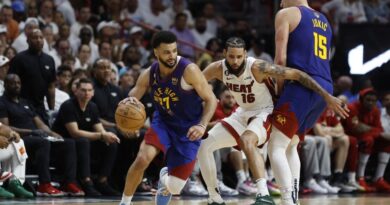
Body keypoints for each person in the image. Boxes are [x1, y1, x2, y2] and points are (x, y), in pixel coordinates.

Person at [199, 36, 346, 205]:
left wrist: (326, 95)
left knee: (248, 140)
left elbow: (297, 74)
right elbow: (195, 83)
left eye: (239, 57)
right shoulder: (217, 68)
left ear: (245, 54)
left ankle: (263, 195)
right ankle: (214, 197)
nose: (235, 61)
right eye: (231, 56)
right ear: (224, 54)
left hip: (265, 111)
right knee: (204, 145)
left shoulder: (257, 67)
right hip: (242, 112)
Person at [119, 31, 217, 205]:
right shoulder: (150, 72)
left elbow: (211, 100)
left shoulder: (189, 70)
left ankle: (165, 179)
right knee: (142, 158)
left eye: (174, 50)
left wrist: (202, 125)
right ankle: (125, 202)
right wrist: (127, 108)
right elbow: (134, 94)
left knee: (176, 187)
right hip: (163, 123)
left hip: (189, 129)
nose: (172, 55)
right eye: (166, 52)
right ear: (156, 52)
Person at [268, 1, 348, 205]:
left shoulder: (286, 13)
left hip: (301, 85)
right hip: (324, 87)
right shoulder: (325, 20)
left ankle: (287, 200)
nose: (280, 2)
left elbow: (280, 59)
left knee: (276, 146)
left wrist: (278, 91)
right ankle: (293, 199)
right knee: (291, 145)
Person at [0, 74, 83, 197]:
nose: (16, 85)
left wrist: (54, 134)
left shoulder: (25, 102)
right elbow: (5, 126)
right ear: (5, 85)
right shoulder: (2, 103)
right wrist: (30, 132)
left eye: (18, 83)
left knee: (68, 143)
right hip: (25, 137)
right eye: (12, 83)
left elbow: (40, 124)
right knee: (37, 142)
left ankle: (69, 182)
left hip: (34, 137)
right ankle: (44, 184)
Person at [52, 78, 121, 196]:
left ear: (93, 92)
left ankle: (102, 181)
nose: (87, 93)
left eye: (89, 90)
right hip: (63, 143)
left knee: (111, 143)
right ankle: (86, 181)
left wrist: (106, 135)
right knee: (83, 141)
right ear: (76, 91)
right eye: (83, 90)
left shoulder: (92, 106)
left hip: (82, 143)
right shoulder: (68, 106)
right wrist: (101, 135)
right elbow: (74, 132)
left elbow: (99, 128)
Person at [9, 28, 56, 124]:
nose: (38, 40)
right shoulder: (19, 59)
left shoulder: (49, 60)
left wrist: (51, 109)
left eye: (41, 37)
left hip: (40, 106)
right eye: (35, 38)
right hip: (22, 105)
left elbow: (51, 87)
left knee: (46, 134)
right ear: (28, 40)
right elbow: (10, 84)